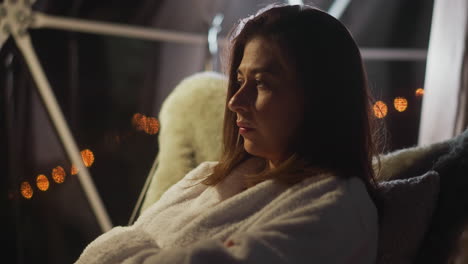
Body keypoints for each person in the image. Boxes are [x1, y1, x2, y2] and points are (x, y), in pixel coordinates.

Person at [75, 4, 381, 264]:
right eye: (239, 79)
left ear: (320, 97)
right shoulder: (207, 178)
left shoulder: (334, 210)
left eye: (261, 83)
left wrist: (119, 248)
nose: (235, 100)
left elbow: (120, 244)